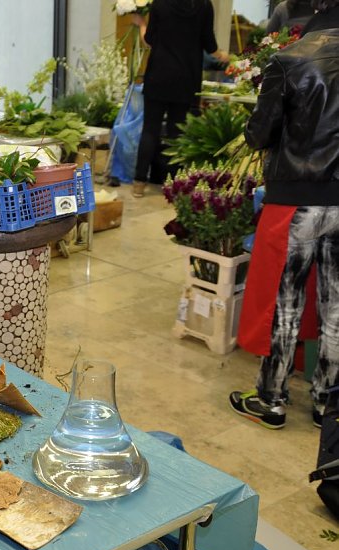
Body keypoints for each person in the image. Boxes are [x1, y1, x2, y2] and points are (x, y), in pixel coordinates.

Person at [230, 0, 339, 433]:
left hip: (295, 196)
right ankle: (326, 403)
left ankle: (272, 398)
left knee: (286, 299)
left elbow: (259, 134)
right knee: (335, 304)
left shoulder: (289, 59)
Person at [131, 0, 229, 197]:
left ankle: (139, 183)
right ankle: (174, 184)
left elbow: (149, 39)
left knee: (150, 129)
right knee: (177, 132)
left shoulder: (160, 3)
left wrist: (141, 24)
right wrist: (222, 55)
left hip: (158, 75)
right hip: (186, 77)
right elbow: (209, 44)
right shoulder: (204, 5)